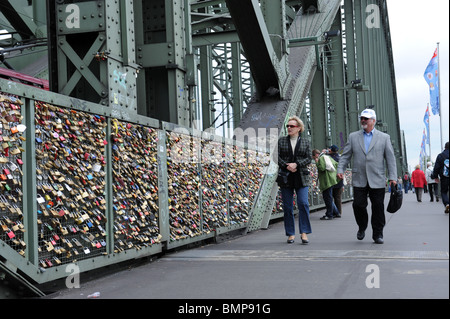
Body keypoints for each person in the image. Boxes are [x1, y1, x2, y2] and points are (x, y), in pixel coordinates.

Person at [337, 109, 397, 244]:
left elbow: (390, 159)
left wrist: (393, 177)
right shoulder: (353, 136)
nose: (363, 120)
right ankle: (362, 226)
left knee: (378, 207)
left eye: (366, 118)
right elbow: (345, 155)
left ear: (373, 121)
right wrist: (340, 169)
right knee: (358, 205)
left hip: (377, 178)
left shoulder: (384, 138)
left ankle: (378, 234)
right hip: (359, 178)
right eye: (362, 118)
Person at [277, 116, 312, 244]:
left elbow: (308, 158)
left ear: (299, 128)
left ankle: (304, 232)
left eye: (292, 126)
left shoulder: (306, 142)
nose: (289, 128)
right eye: (288, 126)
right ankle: (290, 233)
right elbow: (276, 157)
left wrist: (296, 164)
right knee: (287, 207)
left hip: (301, 176)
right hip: (286, 177)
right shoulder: (281, 141)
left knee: (303, 203)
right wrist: (287, 165)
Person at [312, 148, 340, 220]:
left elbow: (322, 168)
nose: (313, 158)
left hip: (326, 180)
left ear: (316, 155)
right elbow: (336, 164)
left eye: (313, 156)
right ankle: (336, 212)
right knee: (329, 197)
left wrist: (317, 162)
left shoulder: (321, 158)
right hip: (331, 179)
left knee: (327, 198)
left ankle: (329, 214)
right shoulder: (328, 157)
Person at [431, 142, 449, 214]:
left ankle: (447, 204)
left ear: (445, 147)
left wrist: (435, 176)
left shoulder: (440, 156)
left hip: (444, 176)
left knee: (444, 192)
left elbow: (436, 167)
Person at [329, 145, 344, 215]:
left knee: (330, 197)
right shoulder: (340, 158)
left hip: (331, 180)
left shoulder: (329, 158)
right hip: (339, 180)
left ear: (331, 150)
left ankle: (334, 212)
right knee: (338, 198)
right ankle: (338, 212)